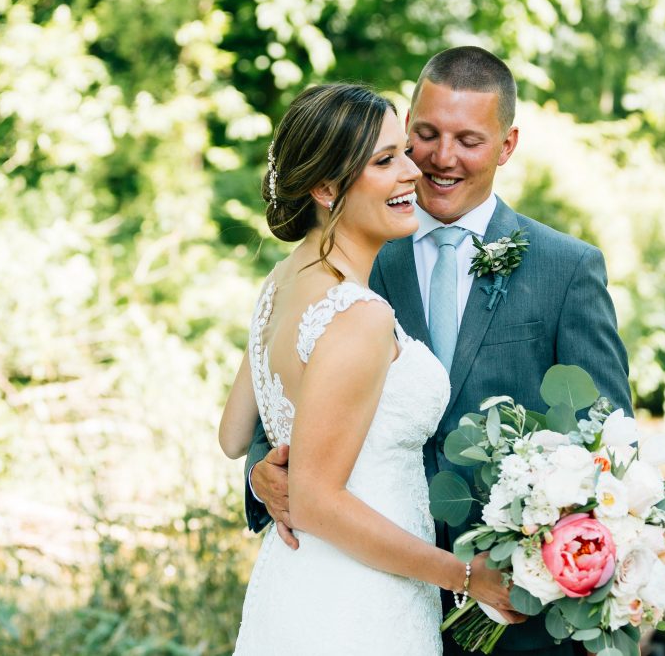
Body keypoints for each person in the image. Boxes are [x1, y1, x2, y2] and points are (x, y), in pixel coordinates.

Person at [245, 47, 633, 656]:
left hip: (515, 614)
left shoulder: (566, 268)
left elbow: (610, 445)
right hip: (365, 589)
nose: (440, 159)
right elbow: (285, 398)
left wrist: (612, 605)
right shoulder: (351, 254)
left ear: (507, 146)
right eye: (423, 135)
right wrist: (260, 474)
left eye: (468, 140)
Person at [219, 83, 522, 655]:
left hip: (294, 583)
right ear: (328, 188)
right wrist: (465, 577)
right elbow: (316, 500)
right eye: (386, 161)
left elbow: (234, 436)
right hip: (360, 603)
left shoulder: (281, 281)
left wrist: (271, 468)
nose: (413, 171)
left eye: (402, 151)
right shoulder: (359, 314)